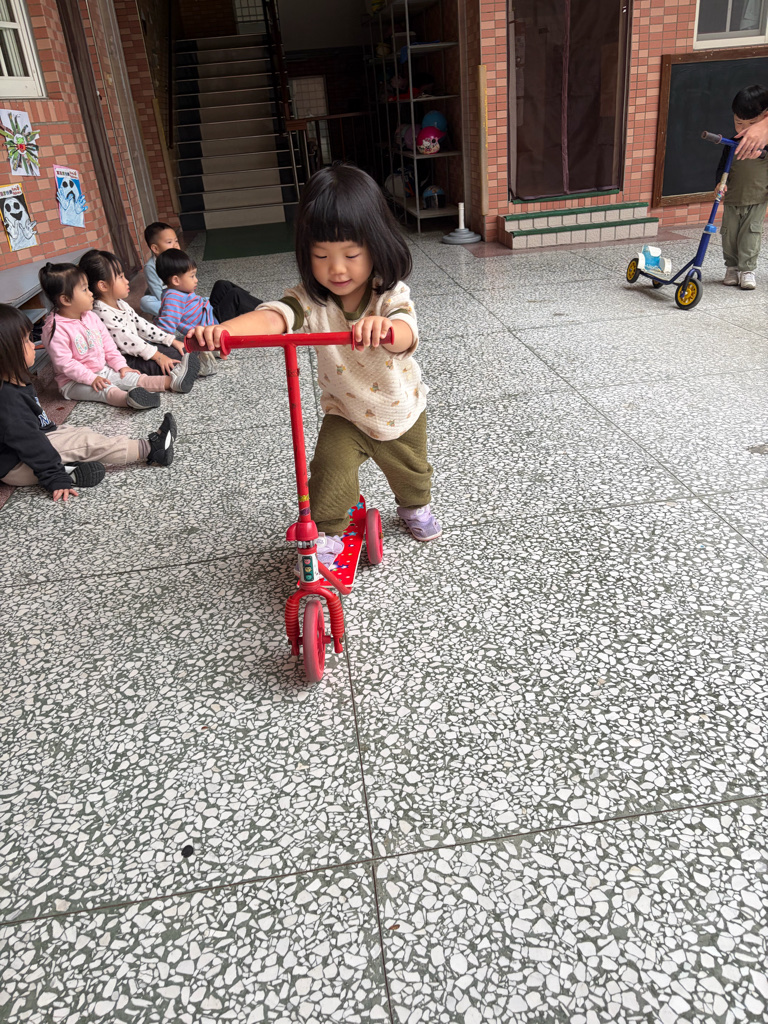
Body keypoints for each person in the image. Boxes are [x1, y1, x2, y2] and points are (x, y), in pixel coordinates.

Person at [187, 162, 441, 566]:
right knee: (327, 471)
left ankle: (414, 507)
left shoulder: (388, 294)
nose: (336, 269)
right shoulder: (310, 299)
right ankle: (326, 532)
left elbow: (407, 332)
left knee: (411, 473)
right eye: (321, 255)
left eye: (351, 254)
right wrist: (226, 330)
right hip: (345, 412)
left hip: (399, 410)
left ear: (376, 246)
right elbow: (275, 317)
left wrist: (386, 328)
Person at [0, 305, 176, 501]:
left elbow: (34, 428)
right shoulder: (8, 402)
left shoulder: (15, 380)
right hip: (18, 465)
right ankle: (151, 449)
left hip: (29, 448)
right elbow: (32, 445)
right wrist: (54, 477)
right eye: (26, 340)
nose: (33, 344)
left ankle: (71, 469)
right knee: (84, 443)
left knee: (80, 434)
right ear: (7, 353)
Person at [39, 262, 184, 409]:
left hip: (103, 369)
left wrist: (121, 366)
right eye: (84, 290)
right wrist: (92, 378)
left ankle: (172, 382)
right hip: (73, 382)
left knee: (133, 377)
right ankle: (130, 400)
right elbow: (65, 364)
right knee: (106, 390)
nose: (90, 293)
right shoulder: (55, 329)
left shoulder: (90, 316)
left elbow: (108, 345)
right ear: (66, 299)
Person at [80, 249, 199, 390]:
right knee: (166, 363)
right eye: (121, 277)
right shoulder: (100, 313)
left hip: (140, 349)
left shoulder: (120, 303)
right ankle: (183, 373)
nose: (127, 281)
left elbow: (143, 326)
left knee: (179, 347)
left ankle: (193, 364)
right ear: (103, 286)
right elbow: (129, 340)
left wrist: (170, 340)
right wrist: (159, 357)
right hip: (125, 360)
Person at [141, 221, 262, 322]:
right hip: (210, 321)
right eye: (169, 242)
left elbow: (190, 288)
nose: (175, 245)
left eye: (176, 241)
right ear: (155, 248)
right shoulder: (152, 268)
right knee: (234, 295)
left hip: (204, 310)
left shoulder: (179, 260)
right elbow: (159, 295)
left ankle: (257, 304)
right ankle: (264, 313)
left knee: (222, 284)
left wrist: (198, 300)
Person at [716, 84, 768, 290]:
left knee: (751, 234)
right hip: (732, 197)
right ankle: (732, 267)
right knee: (728, 234)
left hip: (758, 197)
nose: (744, 129)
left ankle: (747, 270)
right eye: (739, 123)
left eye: (752, 124)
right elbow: (722, 167)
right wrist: (719, 184)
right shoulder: (732, 143)